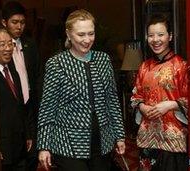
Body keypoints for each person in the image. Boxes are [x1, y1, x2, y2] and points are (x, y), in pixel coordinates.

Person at [37, 9, 126, 171]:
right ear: (68, 34)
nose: (87, 40)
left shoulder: (103, 60)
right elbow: (47, 108)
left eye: (91, 34)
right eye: (81, 34)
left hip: (102, 142)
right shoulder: (56, 64)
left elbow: (112, 101)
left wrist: (119, 135)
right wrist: (44, 146)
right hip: (67, 145)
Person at [131, 13, 188, 171]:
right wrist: (142, 107)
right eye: (151, 35)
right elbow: (136, 96)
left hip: (173, 138)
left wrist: (170, 105)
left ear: (170, 36)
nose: (155, 40)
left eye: (161, 34)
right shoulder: (144, 67)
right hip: (147, 136)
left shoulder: (181, 66)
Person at [1, 1, 42, 170]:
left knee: (33, 154)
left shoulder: (30, 44)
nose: (19, 27)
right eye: (14, 22)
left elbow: (38, 75)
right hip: (11, 108)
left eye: (22, 22)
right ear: (4, 22)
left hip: (30, 106)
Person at [0, 28, 30, 171]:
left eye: (10, 44)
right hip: (3, 147)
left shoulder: (13, 71)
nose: (8, 49)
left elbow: (20, 105)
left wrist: (27, 134)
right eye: (2, 45)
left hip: (19, 145)